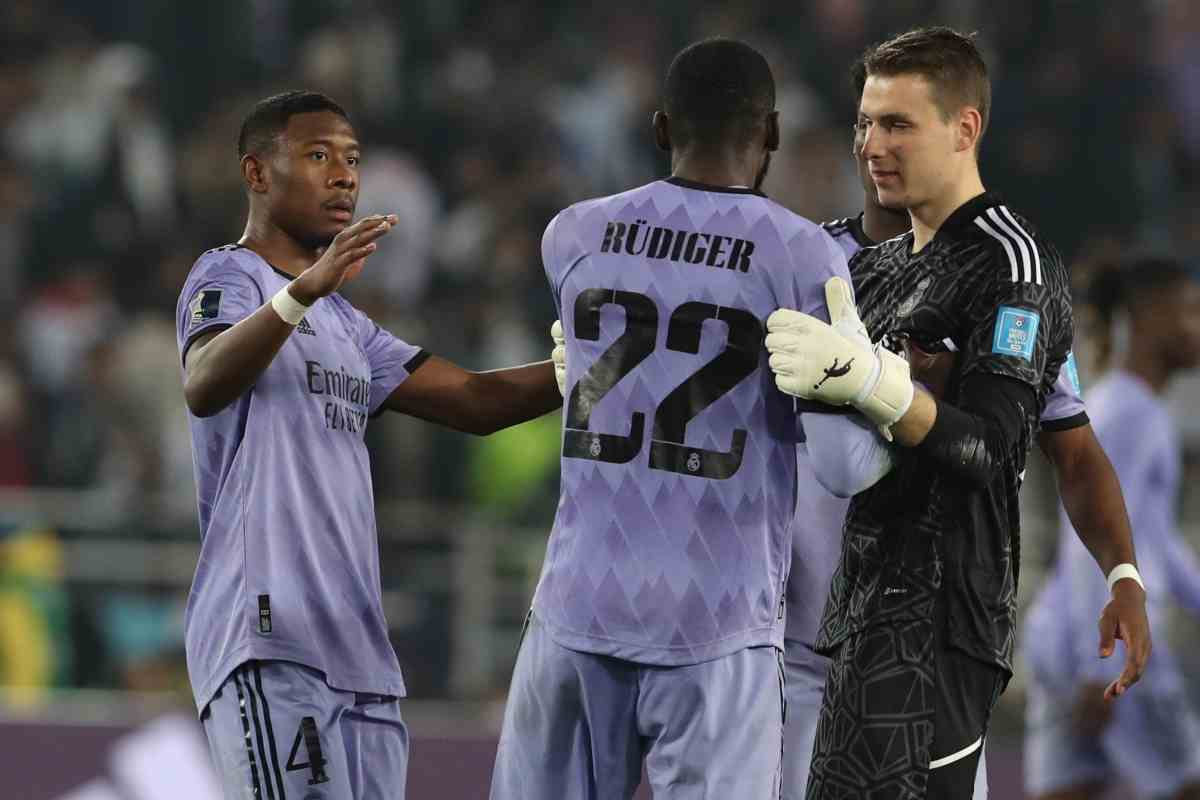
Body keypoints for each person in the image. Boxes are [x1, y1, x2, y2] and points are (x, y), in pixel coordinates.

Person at [491, 38, 890, 800]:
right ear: (769, 131)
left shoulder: (571, 236)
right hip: (718, 622)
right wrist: (878, 390)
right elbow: (845, 469)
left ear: (660, 127)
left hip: (578, 604)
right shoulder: (803, 255)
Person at [763, 28, 1151, 798]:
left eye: (898, 124)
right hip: (804, 636)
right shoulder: (838, 262)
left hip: (926, 635)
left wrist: (1124, 574)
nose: (873, 144)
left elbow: (1022, 445)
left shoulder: (1016, 267)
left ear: (965, 128)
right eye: (866, 124)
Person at [175, 90, 562, 800]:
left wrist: (592, 363)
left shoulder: (351, 328)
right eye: (319, 156)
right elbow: (203, 382)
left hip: (359, 654)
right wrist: (301, 294)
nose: (346, 176)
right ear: (257, 174)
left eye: (352, 160)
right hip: (270, 634)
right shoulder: (228, 275)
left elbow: (479, 401)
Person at [1024, 258, 1200, 800]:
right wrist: (1097, 668)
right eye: (1190, 311)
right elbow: (1090, 548)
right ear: (1148, 317)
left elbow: (1155, 539)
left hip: (1068, 643)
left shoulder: (1132, 409)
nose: (1198, 325)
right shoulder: (1129, 414)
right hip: (1111, 653)